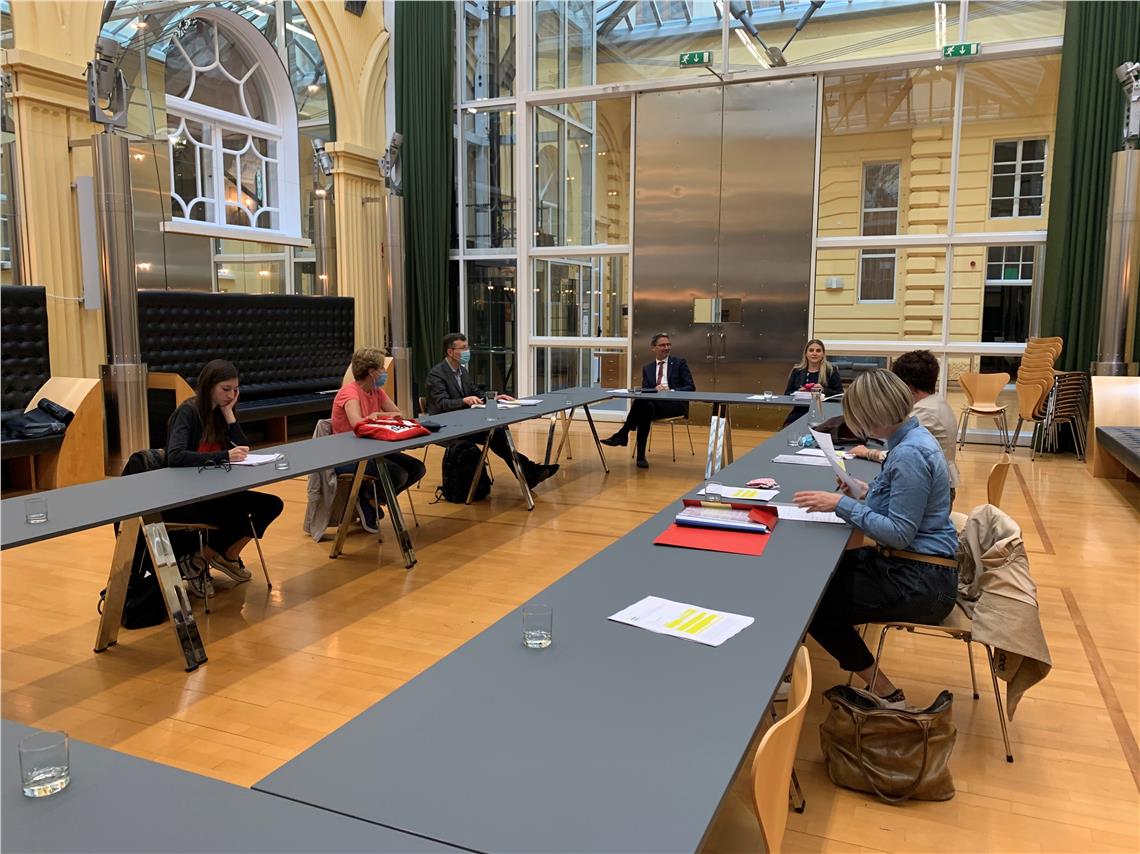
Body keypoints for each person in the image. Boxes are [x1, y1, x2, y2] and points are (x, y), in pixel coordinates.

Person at [792, 370, 958, 709]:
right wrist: (862, 491)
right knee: (814, 579)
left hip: (922, 581)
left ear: (871, 415)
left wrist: (841, 504)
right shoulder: (911, 440)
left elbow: (898, 533)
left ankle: (887, 694)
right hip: (919, 567)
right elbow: (904, 504)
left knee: (815, 605)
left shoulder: (910, 455)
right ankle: (791, 669)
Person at [164, 359, 284, 596]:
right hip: (188, 496)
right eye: (226, 389)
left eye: (235, 390)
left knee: (271, 505)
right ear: (209, 387)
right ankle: (198, 562)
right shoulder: (188, 413)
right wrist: (224, 456)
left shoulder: (221, 412)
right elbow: (175, 456)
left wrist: (229, 414)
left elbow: (243, 448)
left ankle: (220, 556)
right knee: (237, 517)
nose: (231, 395)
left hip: (217, 492)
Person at [425, 333, 559, 489]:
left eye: (467, 347)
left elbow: (476, 393)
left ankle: (528, 472)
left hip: (465, 422)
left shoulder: (463, 372)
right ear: (450, 352)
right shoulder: (436, 374)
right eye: (463, 348)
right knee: (496, 434)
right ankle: (528, 472)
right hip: (447, 427)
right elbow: (442, 403)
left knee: (497, 432)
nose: (467, 351)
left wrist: (494, 397)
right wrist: (464, 400)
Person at [331, 347, 427, 533]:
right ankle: (366, 501)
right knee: (399, 474)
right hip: (348, 455)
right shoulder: (349, 393)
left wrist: (379, 416)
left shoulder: (377, 391)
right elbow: (356, 422)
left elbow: (398, 414)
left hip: (373, 449)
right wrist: (375, 417)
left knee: (417, 468)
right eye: (382, 368)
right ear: (371, 372)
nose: (385, 371)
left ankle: (371, 499)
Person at [850, 349, 961, 503]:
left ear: (906, 385)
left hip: (933, 492)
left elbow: (902, 454)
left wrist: (868, 453)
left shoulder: (923, 412)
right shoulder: (936, 402)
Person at [600, 332, 695, 469]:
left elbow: (690, 387)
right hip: (653, 407)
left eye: (668, 345)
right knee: (645, 407)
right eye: (662, 345)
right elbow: (645, 391)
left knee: (642, 405)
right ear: (653, 348)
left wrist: (670, 390)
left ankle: (624, 434)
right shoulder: (648, 368)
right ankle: (639, 455)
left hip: (674, 405)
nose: (666, 348)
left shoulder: (679, 363)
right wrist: (655, 390)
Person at [782, 338, 844, 428]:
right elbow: (787, 394)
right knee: (787, 427)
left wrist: (823, 390)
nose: (814, 353)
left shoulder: (831, 370)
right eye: (811, 350)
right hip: (800, 411)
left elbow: (840, 395)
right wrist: (799, 393)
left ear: (823, 354)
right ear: (806, 353)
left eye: (818, 351)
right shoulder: (797, 371)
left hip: (823, 412)